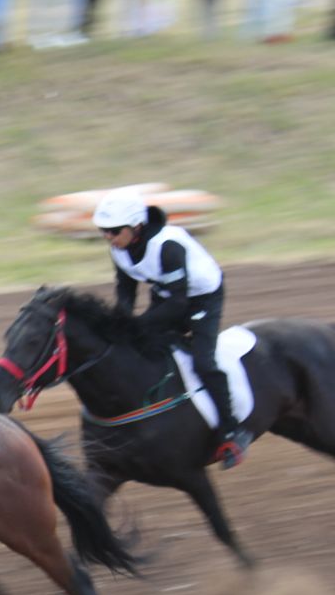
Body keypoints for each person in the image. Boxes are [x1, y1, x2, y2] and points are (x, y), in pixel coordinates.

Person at [93, 188, 249, 467]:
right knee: (143, 346)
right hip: (168, 294)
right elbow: (126, 289)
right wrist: (122, 322)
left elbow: (178, 305)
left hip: (201, 298)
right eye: (103, 230)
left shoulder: (168, 245)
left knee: (203, 361)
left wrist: (137, 325)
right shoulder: (119, 248)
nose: (108, 237)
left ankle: (232, 431)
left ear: (136, 226)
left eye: (114, 231)